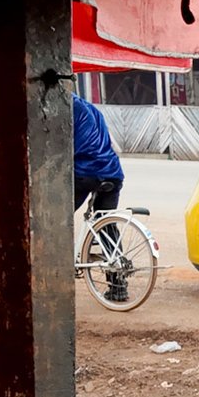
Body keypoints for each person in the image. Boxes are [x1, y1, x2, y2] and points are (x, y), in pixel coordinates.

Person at [73, 93, 129, 302]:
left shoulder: (64, 108)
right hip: (113, 173)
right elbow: (114, 146)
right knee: (106, 226)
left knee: (56, 217)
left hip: (86, 173)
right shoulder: (92, 109)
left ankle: (55, 269)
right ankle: (118, 287)